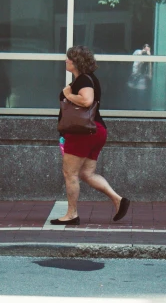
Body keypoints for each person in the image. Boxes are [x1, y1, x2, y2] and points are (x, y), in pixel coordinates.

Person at [52, 45, 130, 225]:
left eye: (68, 58)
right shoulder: (88, 79)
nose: (66, 60)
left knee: (69, 173)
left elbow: (86, 101)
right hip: (96, 130)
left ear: (76, 62)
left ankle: (72, 214)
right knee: (87, 173)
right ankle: (118, 200)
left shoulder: (83, 81)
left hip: (83, 132)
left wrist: (67, 95)